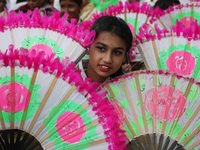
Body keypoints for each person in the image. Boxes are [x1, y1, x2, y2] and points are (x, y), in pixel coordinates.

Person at [79, 16, 133, 83]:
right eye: (101, 48)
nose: (108, 59)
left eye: (117, 52)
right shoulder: (66, 81)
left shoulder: (128, 89)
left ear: (124, 56)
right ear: (88, 46)